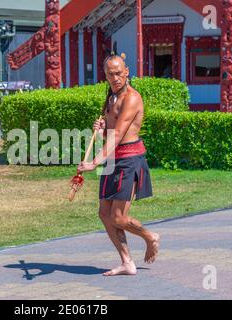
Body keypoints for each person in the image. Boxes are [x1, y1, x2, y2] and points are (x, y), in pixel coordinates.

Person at [77, 53, 160, 276]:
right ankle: (127, 262)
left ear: (126, 72)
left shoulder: (132, 98)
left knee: (119, 218)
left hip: (129, 160)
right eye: (109, 74)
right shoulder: (111, 97)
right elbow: (109, 134)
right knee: (104, 214)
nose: (114, 78)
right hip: (113, 160)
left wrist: (94, 161)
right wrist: (101, 128)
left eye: (117, 73)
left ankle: (149, 237)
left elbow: (119, 134)